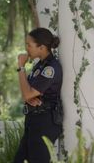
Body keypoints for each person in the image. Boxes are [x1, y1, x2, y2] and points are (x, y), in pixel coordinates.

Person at [14, 27, 63, 163]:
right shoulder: (39, 66)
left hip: (45, 122)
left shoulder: (50, 68)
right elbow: (27, 91)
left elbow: (27, 93)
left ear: (41, 47)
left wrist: (21, 67)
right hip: (34, 120)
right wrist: (29, 98)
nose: (26, 48)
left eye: (29, 45)